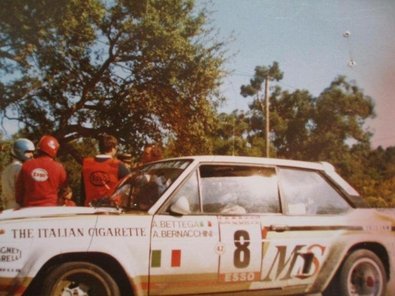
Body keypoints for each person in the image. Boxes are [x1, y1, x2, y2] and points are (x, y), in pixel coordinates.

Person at [15, 135, 69, 207]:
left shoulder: (26, 165)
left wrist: (22, 204)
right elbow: (64, 190)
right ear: (54, 150)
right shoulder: (59, 167)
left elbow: (19, 190)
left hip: (29, 209)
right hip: (50, 208)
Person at [81, 134, 130, 206]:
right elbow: (129, 187)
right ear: (113, 148)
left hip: (89, 209)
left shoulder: (87, 164)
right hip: (111, 210)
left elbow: (82, 191)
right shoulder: (118, 165)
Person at [1, 138, 35, 210]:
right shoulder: (21, 168)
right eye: (28, 152)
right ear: (20, 152)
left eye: (32, 152)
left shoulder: (6, 170)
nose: (31, 155)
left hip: (8, 206)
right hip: (20, 206)